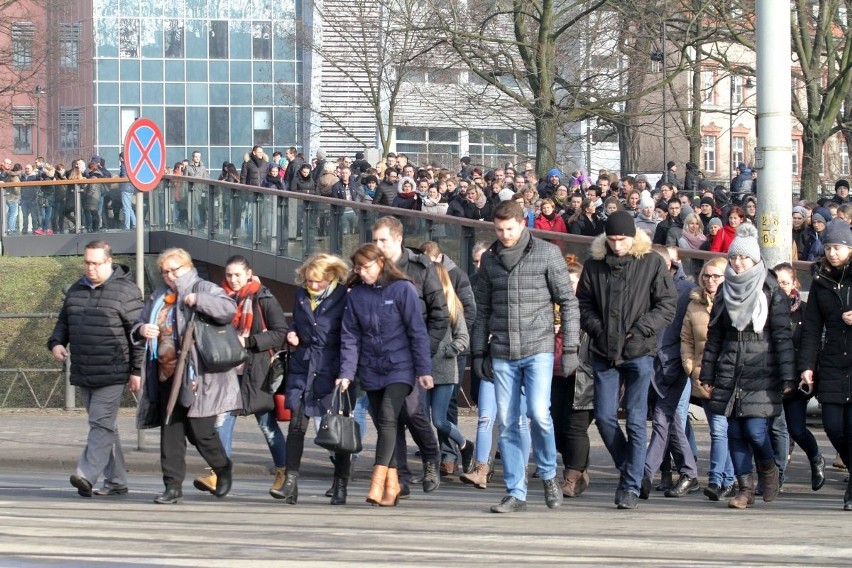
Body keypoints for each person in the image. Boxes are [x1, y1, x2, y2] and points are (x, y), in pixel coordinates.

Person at [472, 200, 581, 514]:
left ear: (522, 224)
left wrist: (570, 348)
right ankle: (515, 490)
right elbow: (481, 313)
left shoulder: (547, 253)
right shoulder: (490, 261)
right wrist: (478, 352)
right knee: (506, 421)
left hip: (539, 347)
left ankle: (548, 473)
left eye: (509, 228)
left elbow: (568, 303)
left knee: (538, 414)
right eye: (499, 229)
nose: (504, 234)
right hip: (503, 350)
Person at [576, 210, 677, 510]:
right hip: (603, 351)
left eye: (622, 240)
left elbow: (666, 304)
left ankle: (631, 486)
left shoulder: (652, 262)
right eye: (613, 240)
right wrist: (597, 329)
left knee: (635, 419)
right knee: (605, 418)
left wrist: (642, 329)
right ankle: (631, 469)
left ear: (633, 238)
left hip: (639, 350)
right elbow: (583, 303)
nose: (617, 245)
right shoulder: (594, 265)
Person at [134, 248, 241, 504]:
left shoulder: (204, 287)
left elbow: (228, 308)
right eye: (165, 272)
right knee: (170, 431)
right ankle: (172, 487)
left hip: (199, 375)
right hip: (165, 372)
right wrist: (141, 329)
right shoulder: (159, 295)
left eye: (175, 270)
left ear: (188, 266)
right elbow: (139, 322)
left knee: (200, 432)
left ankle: (223, 467)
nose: (170, 276)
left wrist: (197, 300)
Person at [700, 224, 795, 509]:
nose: (738, 263)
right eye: (734, 258)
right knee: (734, 432)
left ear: (755, 260)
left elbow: (781, 335)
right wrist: (707, 372)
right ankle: (745, 488)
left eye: (744, 258)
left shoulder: (771, 290)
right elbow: (714, 334)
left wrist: (788, 374)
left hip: (762, 368)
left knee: (755, 430)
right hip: (730, 365)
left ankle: (768, 468)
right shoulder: (723, 291)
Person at [338, 244, 433, 507]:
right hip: (371, 368)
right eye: (357, 268)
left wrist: (424, 370)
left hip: (400, 367)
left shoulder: (403, 289)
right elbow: (350, 337)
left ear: (380, 263)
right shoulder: (355, 295)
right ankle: (393, 485)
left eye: (365, 267)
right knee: (384, 425)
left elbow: (417, 332)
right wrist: (346, 373)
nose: (361, 272)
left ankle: (376, 482)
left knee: (389, 417)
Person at [47, 241, 144, 497]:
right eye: (87, 262)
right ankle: (116, 481)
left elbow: (139, 335)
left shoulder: (126, 291)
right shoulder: (76, 290)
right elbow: (63, 322)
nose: (90, 268)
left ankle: (86, 474)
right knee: (106, 427)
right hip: (84, 369)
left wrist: (137, 370)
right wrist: (56, 343)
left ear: (109, 262)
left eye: (96, 263)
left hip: (113, 370)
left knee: (99, 424)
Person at [191, 256, 288, 499]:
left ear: (248, 273)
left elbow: (280, 333)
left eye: (237, 275)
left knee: (267, 425)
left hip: (257, 372)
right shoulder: (219, 299)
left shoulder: (262, 298)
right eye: (229, 275)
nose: (233, 280)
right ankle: (219, 473)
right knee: (222, 422)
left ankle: (284, 473)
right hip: (227, 371)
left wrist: (249, 341)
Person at [371, 217, 447, 495]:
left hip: (414, 355)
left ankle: (431, 457)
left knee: (413, 412)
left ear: (398, 240)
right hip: (382, 357)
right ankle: (399, 476)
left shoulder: (421, 269)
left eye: (383, 240)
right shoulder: (373, 270)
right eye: (375, 240)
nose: (378, 246)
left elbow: (440, 315)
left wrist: (425, 351)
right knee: (389, 418)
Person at [279, 253, 352, 505]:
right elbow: (297, 325)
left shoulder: (343, 298)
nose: (312, 285)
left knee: (337, 432)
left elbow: (349, 338)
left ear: (330, 277)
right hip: (303, 367)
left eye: (317, 281)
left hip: (331, 370)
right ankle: (291, 481)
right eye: (309, 280)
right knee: (296, 427)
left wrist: (346, 373)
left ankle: (340, 483)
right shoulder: (301, 296)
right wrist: (292, 333)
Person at [798, 220, 852, 510]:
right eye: (829, 247)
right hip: (831, 360)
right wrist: (807, 365)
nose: (833, 253)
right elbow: (811, 328)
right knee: (833, 427)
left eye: (839, 248)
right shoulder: (821, 281)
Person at [681, 257, 736, 501]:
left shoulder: (734, 302)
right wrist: (691, 366)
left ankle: (719, 479)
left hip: (729, 376)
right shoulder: (694, 304)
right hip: (703, 376)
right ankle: (725, 479)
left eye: (716, 276)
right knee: (720, 429)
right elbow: (687, 339)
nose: (710, 280)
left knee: (721, 429)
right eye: (707, 275)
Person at [772, 262, 825, 492]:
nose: (781, 287)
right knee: (774, 428)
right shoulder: (766, 308)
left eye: (785, 282)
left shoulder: (804, 311)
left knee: (796, 428)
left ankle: (815, 457)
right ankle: (776, 476)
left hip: (797, 378)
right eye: (777, 282)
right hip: (771, 378)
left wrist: (808, 370)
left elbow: (810, 344)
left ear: (795, 283)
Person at [550, 255, 595, 498]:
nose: (568, 287)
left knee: (575, 426)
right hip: (555, 371)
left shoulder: (587, 306)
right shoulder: (551, 305)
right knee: (556, 426)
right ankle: (579, 465)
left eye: (573, 282)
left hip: (583, 372)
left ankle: (572, 476)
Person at [426, 263, 474, 473]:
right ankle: (432, 463)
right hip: (424, 370)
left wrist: (449, 349)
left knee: (439, 419)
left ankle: (464, 445)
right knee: (420, 418)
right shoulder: (423, 305)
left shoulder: (453, 306)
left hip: (445, 370)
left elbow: (463, 338)